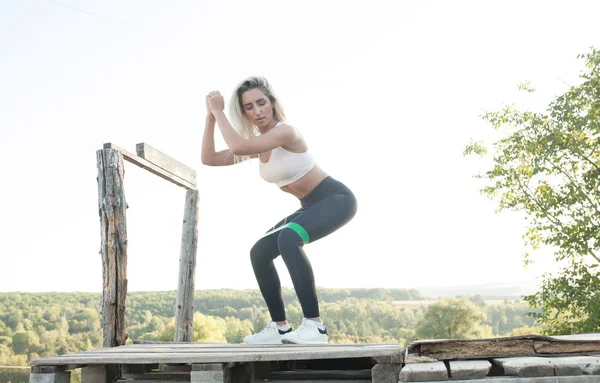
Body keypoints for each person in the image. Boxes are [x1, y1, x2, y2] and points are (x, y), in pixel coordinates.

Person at [202, 76, 357, 345]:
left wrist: (219, 109)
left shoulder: (287, 133)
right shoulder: (258, 146)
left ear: (272, 103)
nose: (257, 111)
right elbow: (209, 159)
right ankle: (280, 327)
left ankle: (315, 326)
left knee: (288, 238)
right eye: (249, 107)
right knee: (260, 252)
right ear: (244, 113)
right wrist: (210, 118)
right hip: (310, 205)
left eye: (261, 103)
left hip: (336, 199)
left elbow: (238, 146)